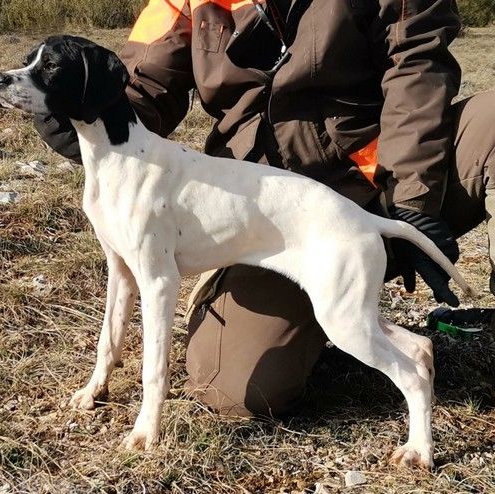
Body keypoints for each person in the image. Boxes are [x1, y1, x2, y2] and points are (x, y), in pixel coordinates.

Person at [35, 0, 495, 418]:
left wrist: (413, 201)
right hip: (262, 213)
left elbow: (418, 62)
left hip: (392, 174)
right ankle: (343, 324)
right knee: (231, 388)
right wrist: (73, 112)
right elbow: (139, 89)